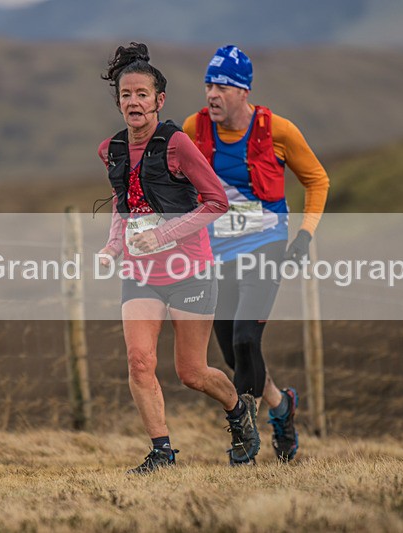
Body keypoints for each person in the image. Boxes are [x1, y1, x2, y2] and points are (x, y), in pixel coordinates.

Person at [96, 43, 260, 473]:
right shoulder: (112, 149)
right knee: (139, 361)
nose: (134, 102)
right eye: (126, 95)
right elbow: (123, 202)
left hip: (190, 271)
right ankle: (162, 452)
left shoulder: (177, 144)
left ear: (159, 100)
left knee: (192, 372)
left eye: (142, 94)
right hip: (141, 273)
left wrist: (164, 234)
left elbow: (216, 202)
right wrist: (113, 246)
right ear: (118, 101)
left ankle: (238, 411)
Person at [183, 45, 330, 462]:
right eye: (209, 85)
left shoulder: (278, 131)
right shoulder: (195, 128)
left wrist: (304, 236)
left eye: (222, 87)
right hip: (216, 251)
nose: (212, 94)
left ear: (243, 92)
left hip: (265, 244)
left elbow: (317, 181)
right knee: (234, 354)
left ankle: (245, 439)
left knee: (247, 338)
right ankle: (281, 405)